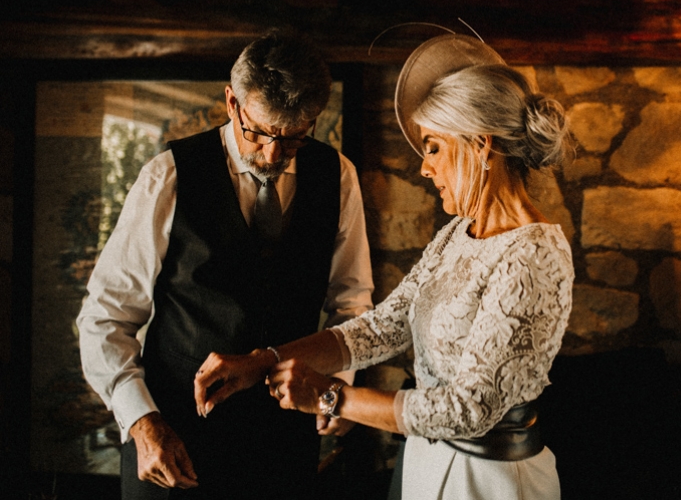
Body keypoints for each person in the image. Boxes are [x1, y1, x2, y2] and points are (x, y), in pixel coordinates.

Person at [193, 33, 575, 500]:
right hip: (425, 463)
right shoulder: (458, 233)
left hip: (489, 481)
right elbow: (384, 327)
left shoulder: (535, 254)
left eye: (433, 147)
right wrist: (263, 361)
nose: (424, 168)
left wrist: (331, 398)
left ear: (480, 145)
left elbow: (469, 408)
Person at [77, 30, 375, 499]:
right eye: (259, 132)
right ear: (231, 102)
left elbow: (352, 302)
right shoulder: (169, 175)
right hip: (174, 441)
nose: (273, 154)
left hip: (285, 447)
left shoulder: (339, 177)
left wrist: (338, 384)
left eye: (295, 137)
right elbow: (105, 317)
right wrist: (140, 420)